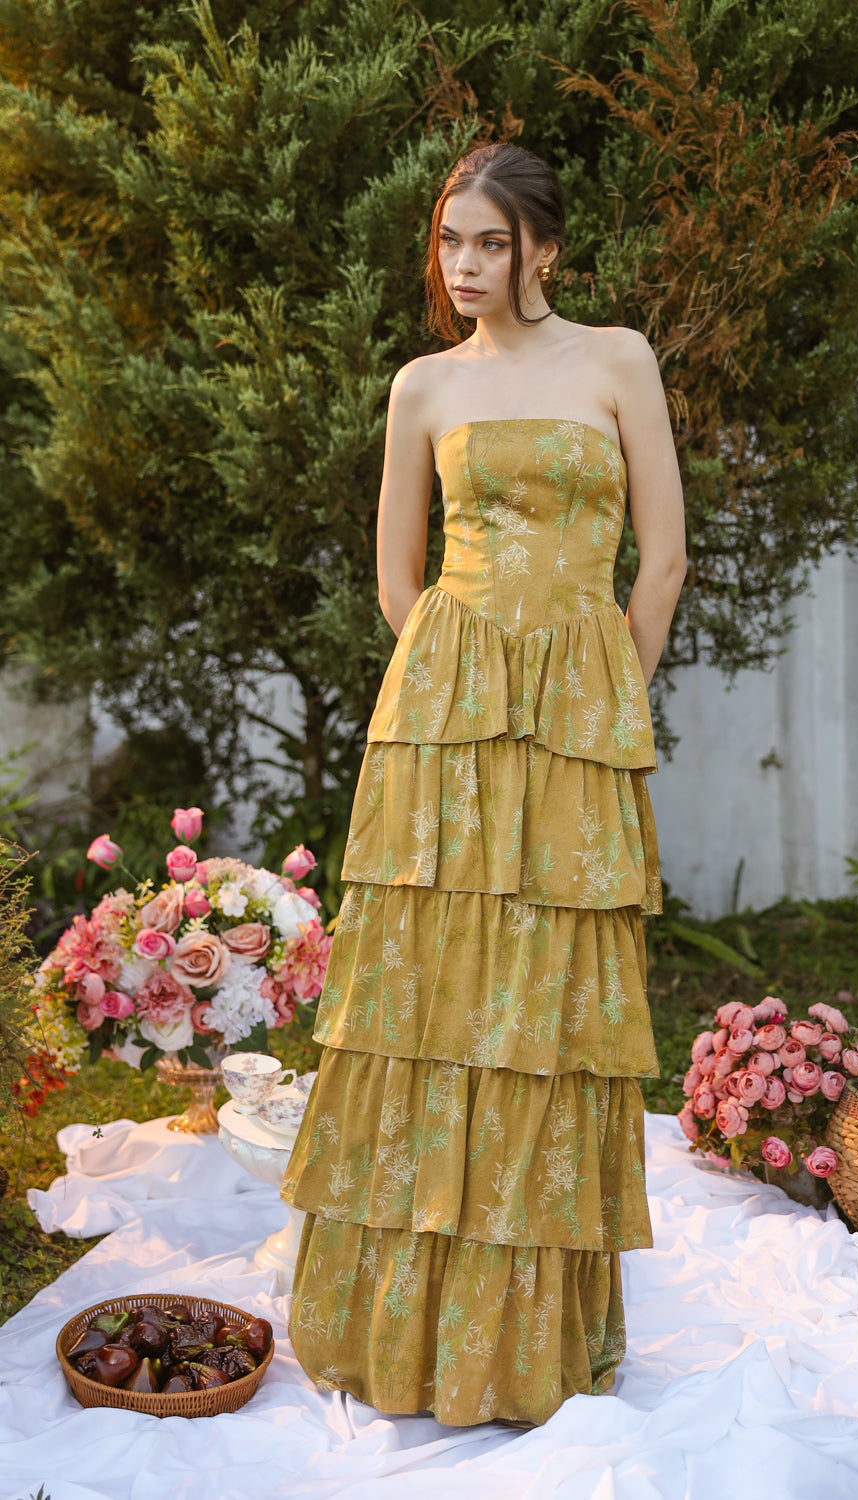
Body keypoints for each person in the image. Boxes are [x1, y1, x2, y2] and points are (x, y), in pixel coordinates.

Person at [280, 142, 687, 1427]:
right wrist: (457, 697)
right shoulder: (424, 385)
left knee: (549, 1007)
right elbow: (397, 579)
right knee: (427, 998)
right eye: (450, 241)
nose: (463, 266)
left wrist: (598, 705)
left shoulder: (616, 359)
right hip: (442, 727)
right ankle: (399, 1334)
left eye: (491, 243)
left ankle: (524, 1343)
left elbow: (663, 560)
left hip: (576, 720)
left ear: (543, 249)